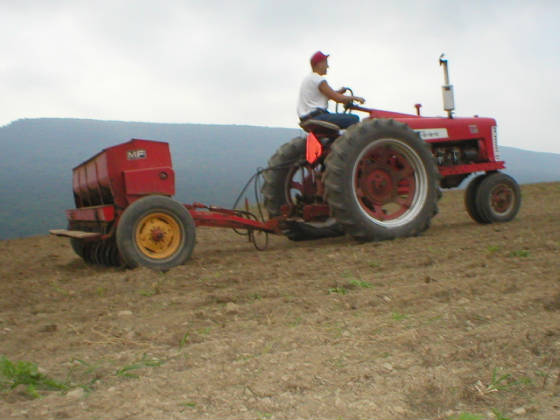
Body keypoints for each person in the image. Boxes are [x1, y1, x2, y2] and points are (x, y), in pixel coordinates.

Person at [297, 51, 365, 129]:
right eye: (326, 63)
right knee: (354, 119)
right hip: (317, 116)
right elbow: (337, 98)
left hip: (306, 117)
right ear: (319, 64)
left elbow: (326, 96)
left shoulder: (308, 79)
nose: (327, 66)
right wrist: (355, 98)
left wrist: (339, 92)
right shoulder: (318, 79)